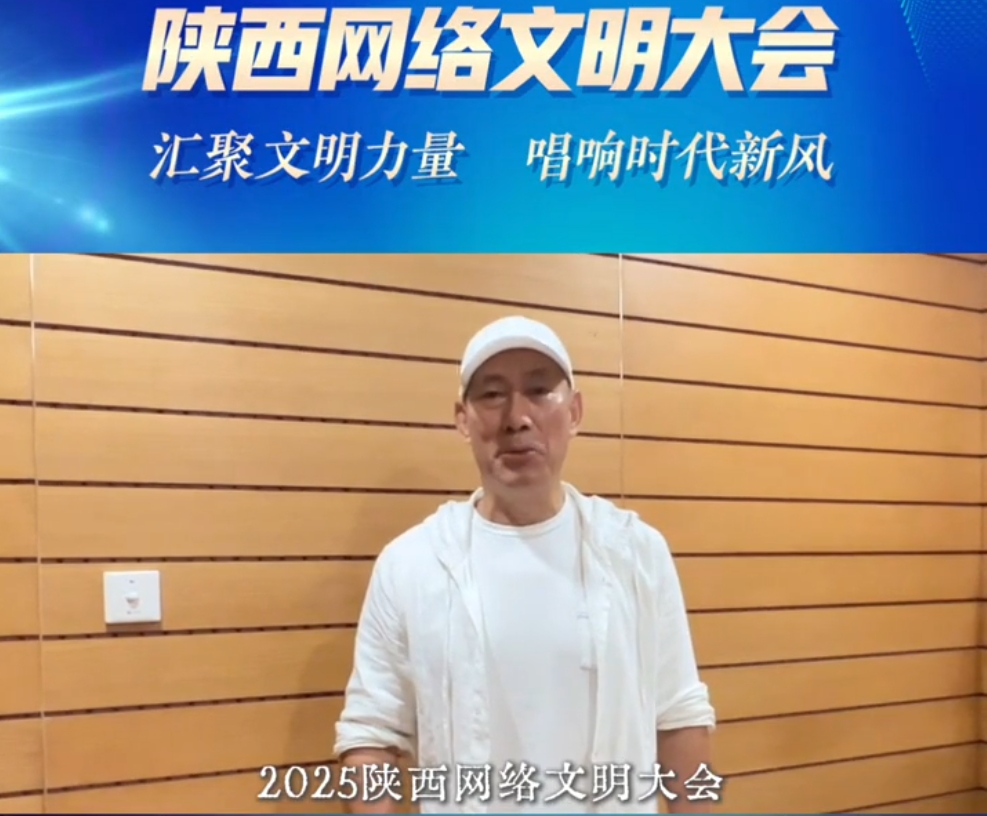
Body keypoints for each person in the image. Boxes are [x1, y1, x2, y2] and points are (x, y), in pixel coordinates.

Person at [335, 316, 717, 815]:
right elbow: (371, 733)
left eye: (539, 390)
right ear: (462, 419)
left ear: (575, 412)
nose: (517, 418)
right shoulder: (411, 564)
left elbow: (679, 715)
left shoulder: (636, 552)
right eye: (493, 395)